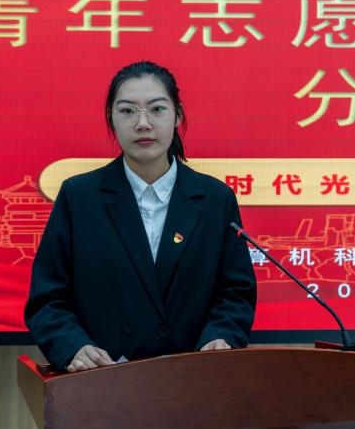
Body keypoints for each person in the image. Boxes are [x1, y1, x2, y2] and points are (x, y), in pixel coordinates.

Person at [24, 60, 257, 375]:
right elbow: (47, 298)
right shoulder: (79, 197)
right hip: (103, 380)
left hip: (195, 380)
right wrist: (73, 346)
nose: (143, 123)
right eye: (128, 111)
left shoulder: (215, 199)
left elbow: (235, 293)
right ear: (112, 118)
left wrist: (222, 336)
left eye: (157, 109)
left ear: (178, 115)